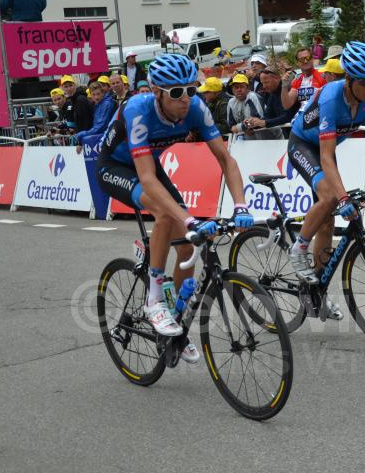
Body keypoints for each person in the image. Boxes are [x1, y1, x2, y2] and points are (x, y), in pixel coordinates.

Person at [95, 53, 254, 359]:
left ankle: (176, 329)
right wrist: (189, 218)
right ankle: (154, 299)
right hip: (114, 168)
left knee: (186, 248)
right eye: (177, 93)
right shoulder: (138, 108)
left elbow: (226, 159)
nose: (186, 99)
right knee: (167, 212)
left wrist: (241, 205)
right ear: (157, 92)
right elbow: (146, 179)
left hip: (150, 168)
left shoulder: (195, 108)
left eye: (191, 90)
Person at [286, 41, 365, 321]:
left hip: (323, 150)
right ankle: (299, 247)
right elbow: (327, 157)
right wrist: (342, 197)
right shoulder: (331, 97)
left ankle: (315, 288)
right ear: (350, 80)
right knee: (331, 198)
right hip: (303, 145)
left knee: (328, 220)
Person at [244, 64, 299, 133]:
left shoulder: (289, 89)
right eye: (262, 83)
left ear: (277, 78)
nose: (264, 86)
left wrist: (264, 123)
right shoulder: (272, 94)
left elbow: (289, 116)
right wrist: (252, 123)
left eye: (266, 82)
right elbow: (268, 116)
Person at [227, 74, 282, 140]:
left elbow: (258, 120)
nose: (239, 90)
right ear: (232, 90)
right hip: (250, 139)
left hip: (270, 136)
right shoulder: (231, 102)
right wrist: (244, 128)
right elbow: (231, 126)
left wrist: (241, 127)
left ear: (248, 88)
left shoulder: (253, 97)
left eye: (241, 87)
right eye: (236, 87)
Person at [75, 81, 117, 153]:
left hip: (110, 141)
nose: (96, 97)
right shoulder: (98, 104)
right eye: (93, 94)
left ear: (103, 93)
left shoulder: (107, 104)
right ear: (90, 95)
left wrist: (82, 134)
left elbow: (101, 126)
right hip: (105, 140)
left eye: (98, 94)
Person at [281, 47, 325, 111]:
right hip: (304, 117)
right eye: (301, 59)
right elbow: (287, 105)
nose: (305, 61)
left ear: (312, 59)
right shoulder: (297, 80)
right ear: (297, 63)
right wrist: (284, 86)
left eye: (307, 58)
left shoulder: (322, 76)